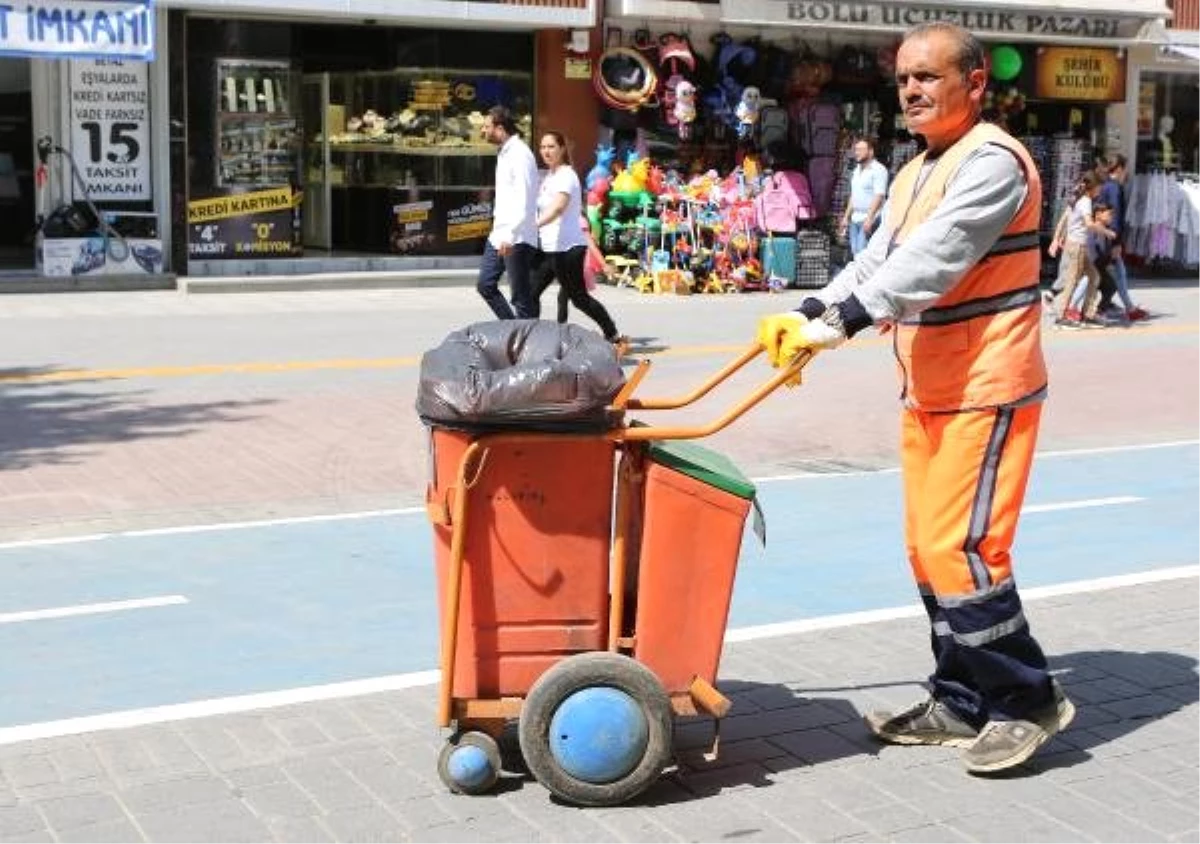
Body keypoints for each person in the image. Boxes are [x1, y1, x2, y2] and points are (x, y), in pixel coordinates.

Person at [756, 22, 1074, 775]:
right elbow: (878, 256)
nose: (912, 91)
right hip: (930, 383)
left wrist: (846, 323)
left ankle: (1027, 699)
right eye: (904, 79)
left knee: (959, 550)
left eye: (929, 77)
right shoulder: (915, 169)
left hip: (987, 383)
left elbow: (934, 261)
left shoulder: (993, 163)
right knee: (927, 556)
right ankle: (960, 701)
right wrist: (810, 308)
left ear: (974, 85)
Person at [534, 131, 627, 347]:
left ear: (562, 149)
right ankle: (531, 338)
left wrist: (533, 226)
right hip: (549, 248)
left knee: (579, 298)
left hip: (567, 249)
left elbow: (557, 208)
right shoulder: (550, 176)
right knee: (530, 293)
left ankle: (612, 334)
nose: (546, 151)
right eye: (543, 147)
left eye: (551, 147)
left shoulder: (566, 176)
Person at [477, 105, 539, 320]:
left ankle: (529, 344)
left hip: (517, 237)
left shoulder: (520, 154)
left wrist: (511, 236)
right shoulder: (504, 153)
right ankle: (512, 329)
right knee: (485, 284)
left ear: (500, 128)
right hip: (499, 234)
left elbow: (525, 198)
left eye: (486, 127)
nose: (482, 131)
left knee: (521, 298)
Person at [1048, 173, 1110, 327]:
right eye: (1099, 187)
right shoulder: (1086, 202)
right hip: (1077, 246)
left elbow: (1065, 219)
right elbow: (1089, 224)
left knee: (1094, 276)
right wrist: (1106, 231)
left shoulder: (1077, 200)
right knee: (1072, 281)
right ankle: (1061, 316)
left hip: (1074, 244)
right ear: (1093, 187)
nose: (1100, 191)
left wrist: (1057, 238)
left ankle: (1087, 314)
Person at [1094, 155, 1149, 322]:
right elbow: (1115, 216)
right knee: (1100, 275)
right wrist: (1116, 242)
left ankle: (1126, 307)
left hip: (1102, 236)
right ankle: (1127, 309)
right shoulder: (1115, 188)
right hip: (1109, 238)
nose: (1127, 173)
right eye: (1125, 169)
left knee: (1107, 273)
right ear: (1119, 169)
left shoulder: (1106, 186)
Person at [838, 137, 889, 257]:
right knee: (855, 252)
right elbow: (854, 195)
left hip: (869, 218)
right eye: (856, 150)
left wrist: (870, 218)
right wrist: (846, 217)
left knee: (863, 254)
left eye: (860, 149)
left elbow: (879, 195)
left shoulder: (879, 170)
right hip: (855, 218)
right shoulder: (856, 170)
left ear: (870, 151)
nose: (857, 153)